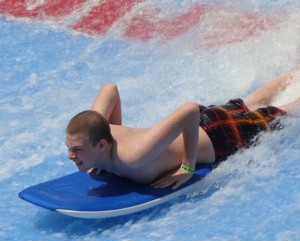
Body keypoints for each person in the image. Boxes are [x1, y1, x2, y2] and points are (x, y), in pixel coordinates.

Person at [65, 69, 300, 189]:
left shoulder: (133, 157)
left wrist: (188, 166)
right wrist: (99, 159)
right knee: (248, 104)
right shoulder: (100, 129)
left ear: (102, 144)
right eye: (69, 148)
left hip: (220, 135)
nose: (70, 155)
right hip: (204, 123)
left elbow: (189, 110)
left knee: (285, 112)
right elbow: (110, 89)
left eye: (77, 149)